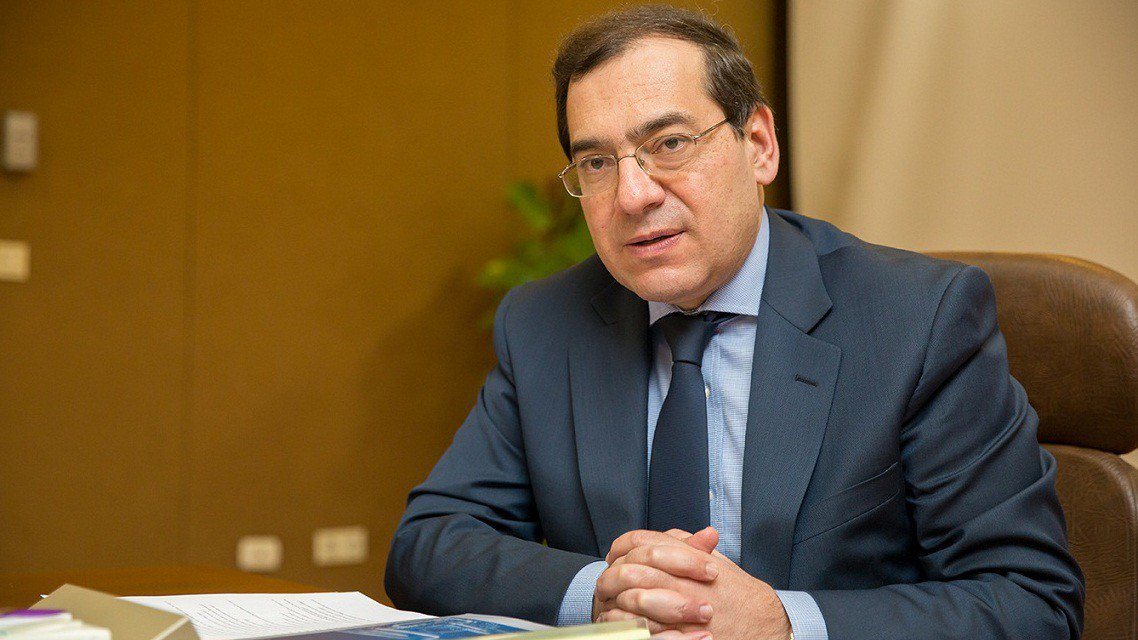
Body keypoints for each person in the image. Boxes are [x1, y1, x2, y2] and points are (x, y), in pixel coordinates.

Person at [385, 6, 1084, 640]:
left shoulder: (917, 320)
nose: (632, 195)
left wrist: (783, 624)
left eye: (669, 143)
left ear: (759, 145)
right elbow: (429, 544)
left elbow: (1030, 600)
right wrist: (602, 592)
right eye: (596, 162)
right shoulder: (546, 324)